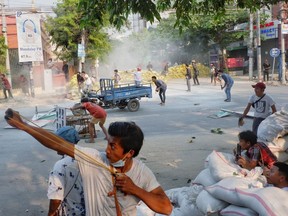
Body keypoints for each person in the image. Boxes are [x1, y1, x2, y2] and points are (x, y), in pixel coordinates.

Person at [4, 109, 173, 216]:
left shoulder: (141, 172)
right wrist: (24, 125)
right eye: (108, 143)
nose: (107, 150)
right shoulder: (94, 160)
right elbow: (58, 143)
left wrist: (134, 188)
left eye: (113, 147)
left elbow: (166, 208)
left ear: (130, 153)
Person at [48, 126, 85, 216]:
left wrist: (51, 213)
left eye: (57, 143)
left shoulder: (60, 166)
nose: (54, 146)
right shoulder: (88, 157)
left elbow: (56, 198)